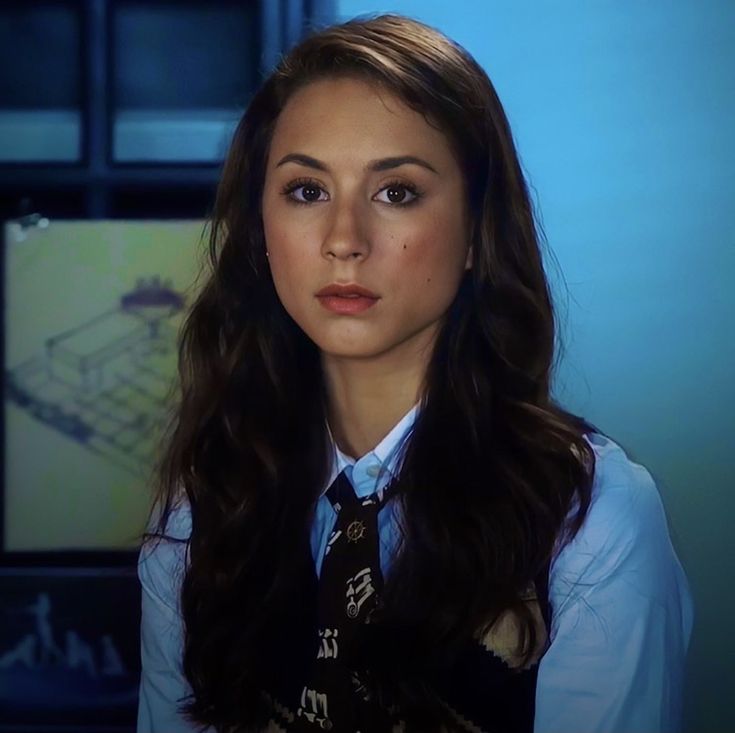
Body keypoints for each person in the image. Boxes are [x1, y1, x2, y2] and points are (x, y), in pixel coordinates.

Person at [137, 13, 693, 733]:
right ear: (259, 231)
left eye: (396, 191)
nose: (343, 241)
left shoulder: (586, 515)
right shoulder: (203, 504)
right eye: (306, 191)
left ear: (474, 232)